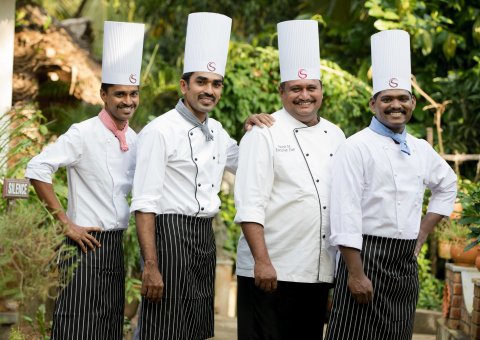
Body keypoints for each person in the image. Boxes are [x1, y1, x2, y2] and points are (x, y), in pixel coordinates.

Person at [131, 12, 273, 340]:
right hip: (169, 236)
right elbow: (144, 203)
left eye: (216, 83)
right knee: (160, 327)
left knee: (194, 330)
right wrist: (150, 266)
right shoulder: (160, 131)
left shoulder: (220, 132)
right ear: (184, 85)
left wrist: (255, 134)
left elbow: (249, 165)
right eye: (201, 82)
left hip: (202, 238)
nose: (209, 90)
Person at [325, 29, 457, 340]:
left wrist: (423, 232)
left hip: (404, 264)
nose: (395, 105)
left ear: (413, 103)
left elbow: (448, 185)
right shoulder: (355, 146)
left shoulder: (422, 148)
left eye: (402, 99)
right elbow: (344, 213)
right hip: (364, 257)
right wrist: (355, 274)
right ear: (373, 104)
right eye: (387, 99)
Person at [25, 21, 145, 339]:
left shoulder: (134, 139)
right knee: (75, 325)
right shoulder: (83, 133)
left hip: (114, 247)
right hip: (84, 245)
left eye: (134, 94)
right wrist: (65, 222)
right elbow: (37, 168)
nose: (128, 101)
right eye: (120, 94)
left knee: (108, 326)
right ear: (103, 94)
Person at [233, 20, 346, 340]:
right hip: (272, 270)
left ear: (322, 90)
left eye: (312, 87)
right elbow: (249, 204)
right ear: (281, 91)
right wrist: (263, 262)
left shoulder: (336, 134)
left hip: (317, 272)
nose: (305, 95)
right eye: (296, 88)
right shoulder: (263, 133)